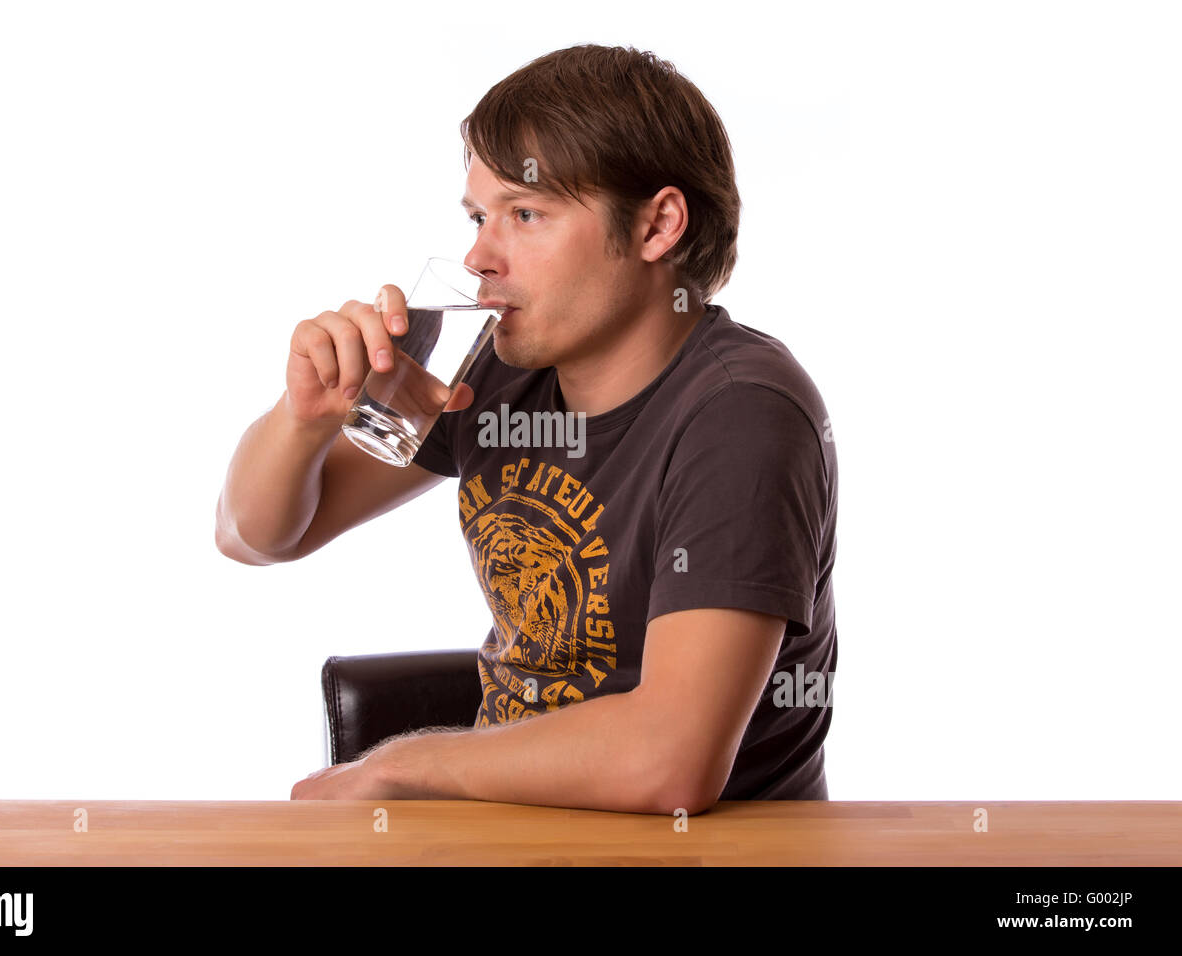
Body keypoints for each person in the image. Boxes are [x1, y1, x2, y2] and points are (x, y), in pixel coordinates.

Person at [216, 44, 838, 814]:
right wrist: (305, 417)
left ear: (658, 226)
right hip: (513, 831)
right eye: (479, 216)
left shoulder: (743, 413)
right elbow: (255, 536)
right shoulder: (503, 371)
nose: (479, 255)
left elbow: (669, 761)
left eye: (526, 214)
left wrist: (398, 764)